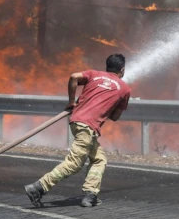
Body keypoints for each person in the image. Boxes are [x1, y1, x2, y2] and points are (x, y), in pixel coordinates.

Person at [24, 53, 131, 208]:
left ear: (106, 67)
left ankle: (90, 194)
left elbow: (74, 77)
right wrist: (110, 102)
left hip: (77, 122)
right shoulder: (125, 89)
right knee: (74, 163)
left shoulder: (94, 74)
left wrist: (71, 102)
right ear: (122, 69)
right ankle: (39, 187)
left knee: (99, 159)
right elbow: (114, 117)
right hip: (87, 127)